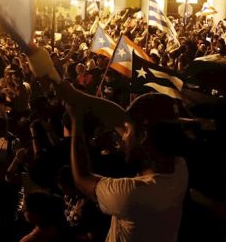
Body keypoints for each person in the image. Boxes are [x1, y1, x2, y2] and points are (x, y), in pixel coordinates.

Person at [66, 86, 188, 242]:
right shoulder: (179, 169)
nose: (122, 136)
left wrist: (76, 121)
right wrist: (79, 96)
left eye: (127, 130)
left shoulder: (132, 194)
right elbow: (117, 117)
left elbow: (82, 178)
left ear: (144, 135)